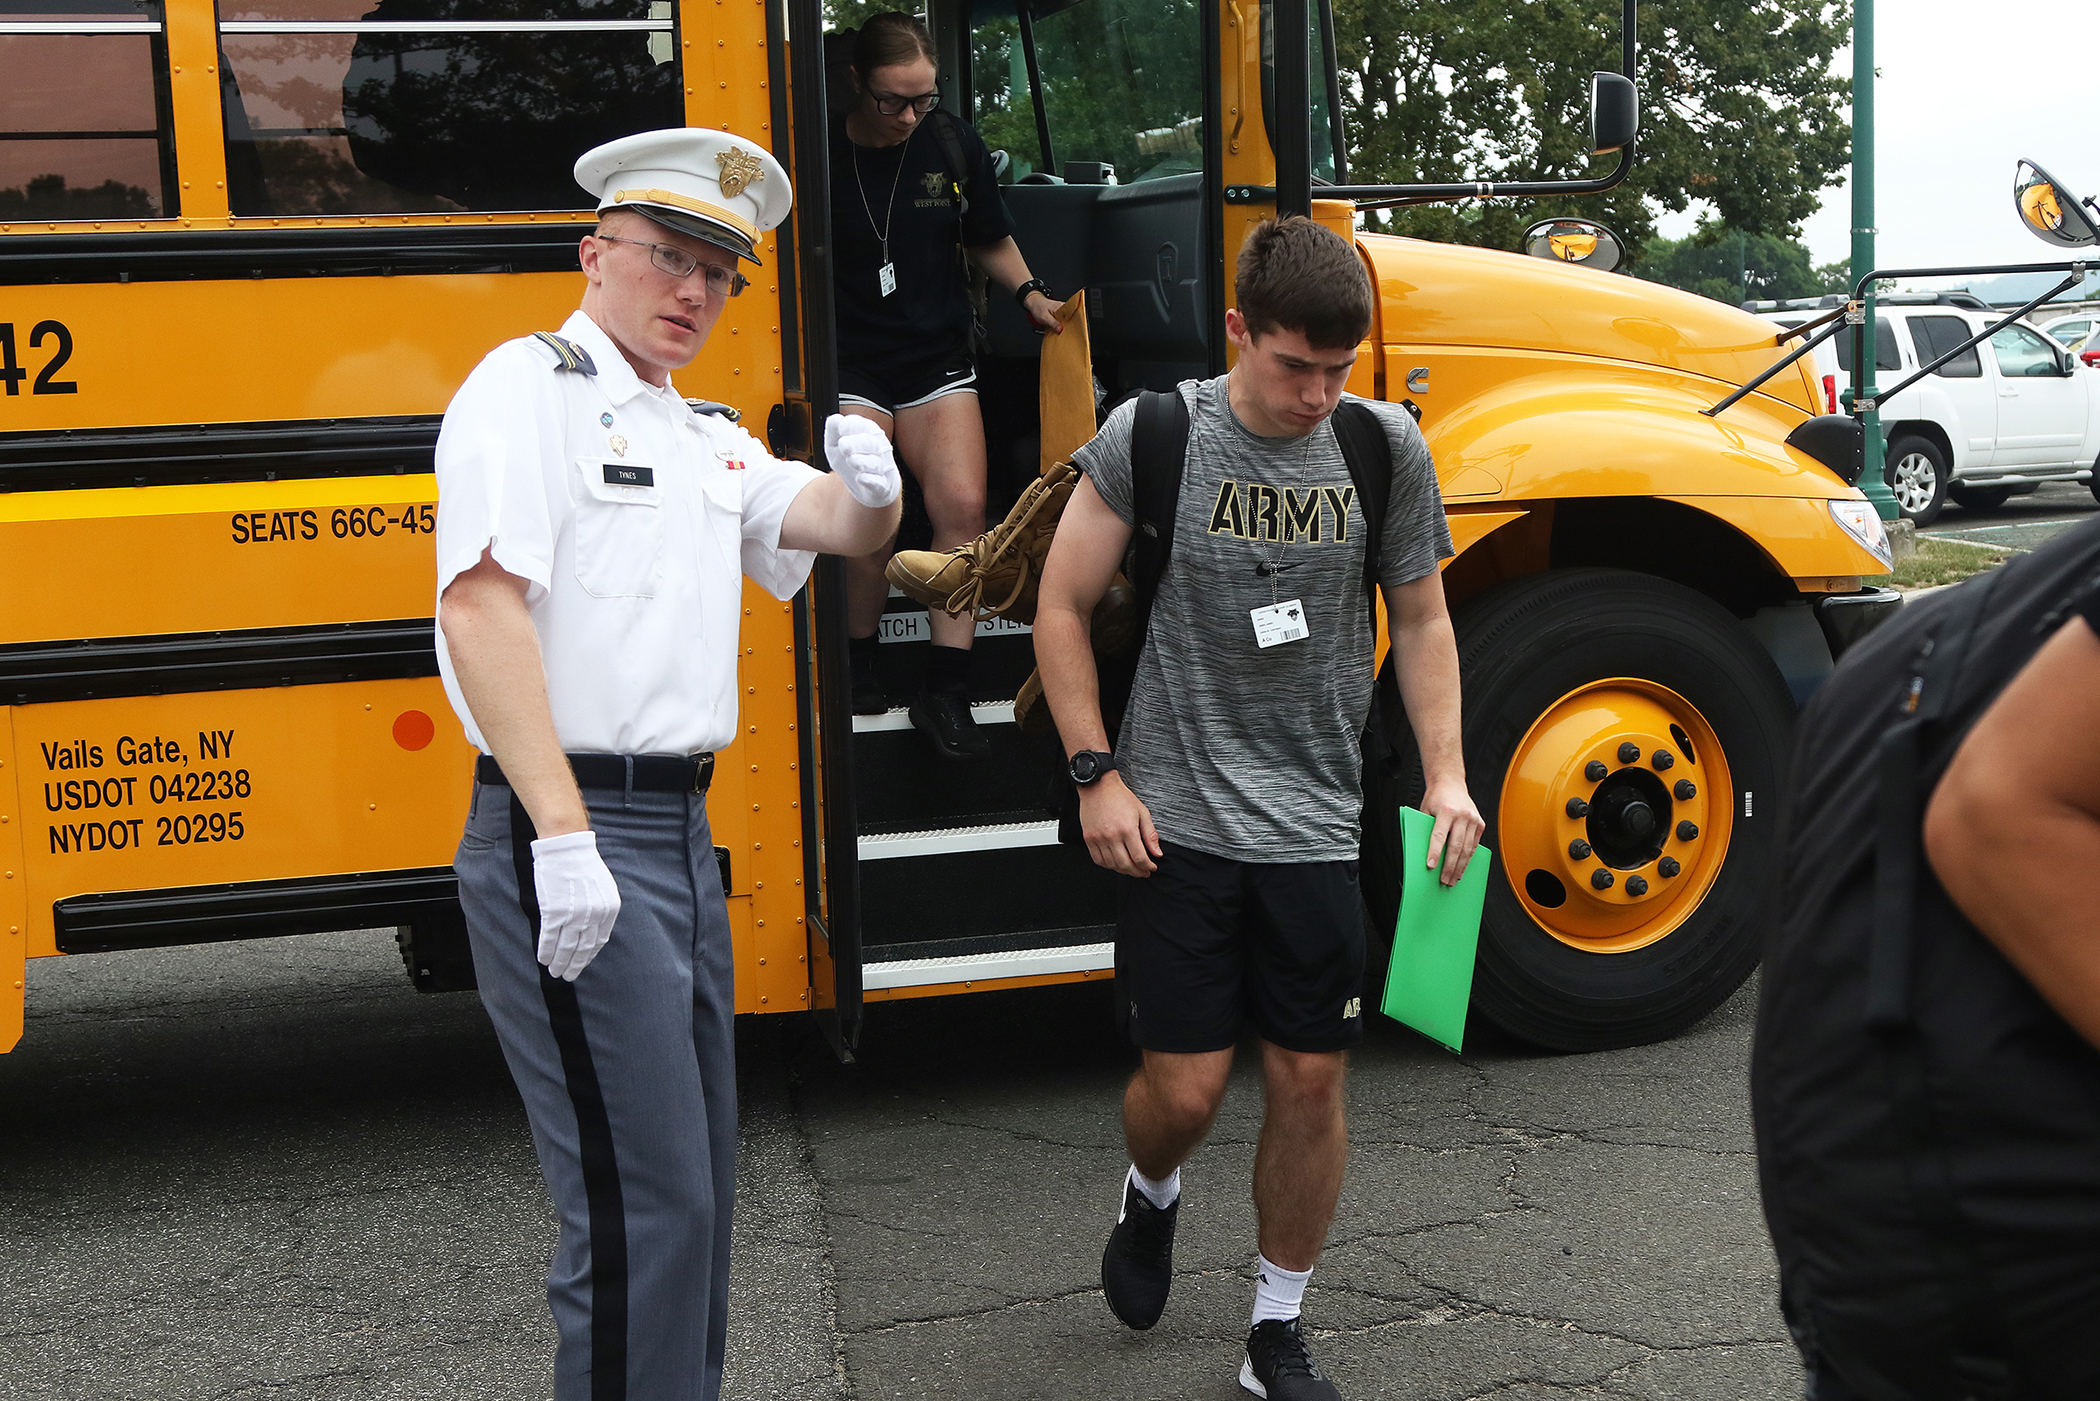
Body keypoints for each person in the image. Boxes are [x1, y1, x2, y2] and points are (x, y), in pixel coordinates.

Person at [432, 128, 902, 1401]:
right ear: (596, 255)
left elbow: (822, 521)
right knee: (637, 1207)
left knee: (693, 1200)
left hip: (678, 840)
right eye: (669, 259)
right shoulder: (522, 390)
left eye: (720, 273)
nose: (694, 292)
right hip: (573, 830)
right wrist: (564, 838)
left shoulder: (700, 432)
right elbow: (481, 608)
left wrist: (878, 495)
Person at [1033, 216, 1484, 1400]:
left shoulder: (1383, 449)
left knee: (1311, 1080)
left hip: (1314, 822)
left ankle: (1275, 1328)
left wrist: (1447, 774)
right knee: (1181, 1091)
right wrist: (1096, 774)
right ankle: (1153, 1193)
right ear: (1239, 330)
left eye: (1339, 371)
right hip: (1173, 815)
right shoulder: (1157, 434)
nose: (1316, 394)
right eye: (1294, 366)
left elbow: (1426, 619)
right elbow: (1061, 607)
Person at [831, 10, 1065, 757]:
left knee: (963, 505)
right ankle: (858, 658)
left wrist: (1029, 292)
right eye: (892, 100)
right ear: (855, 86)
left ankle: (947, 686)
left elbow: (987, 233)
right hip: (852, 357)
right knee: (873, 511)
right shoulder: (818, 150)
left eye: (923, 98)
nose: (908, 115)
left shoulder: (949, 140)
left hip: (935, 351)